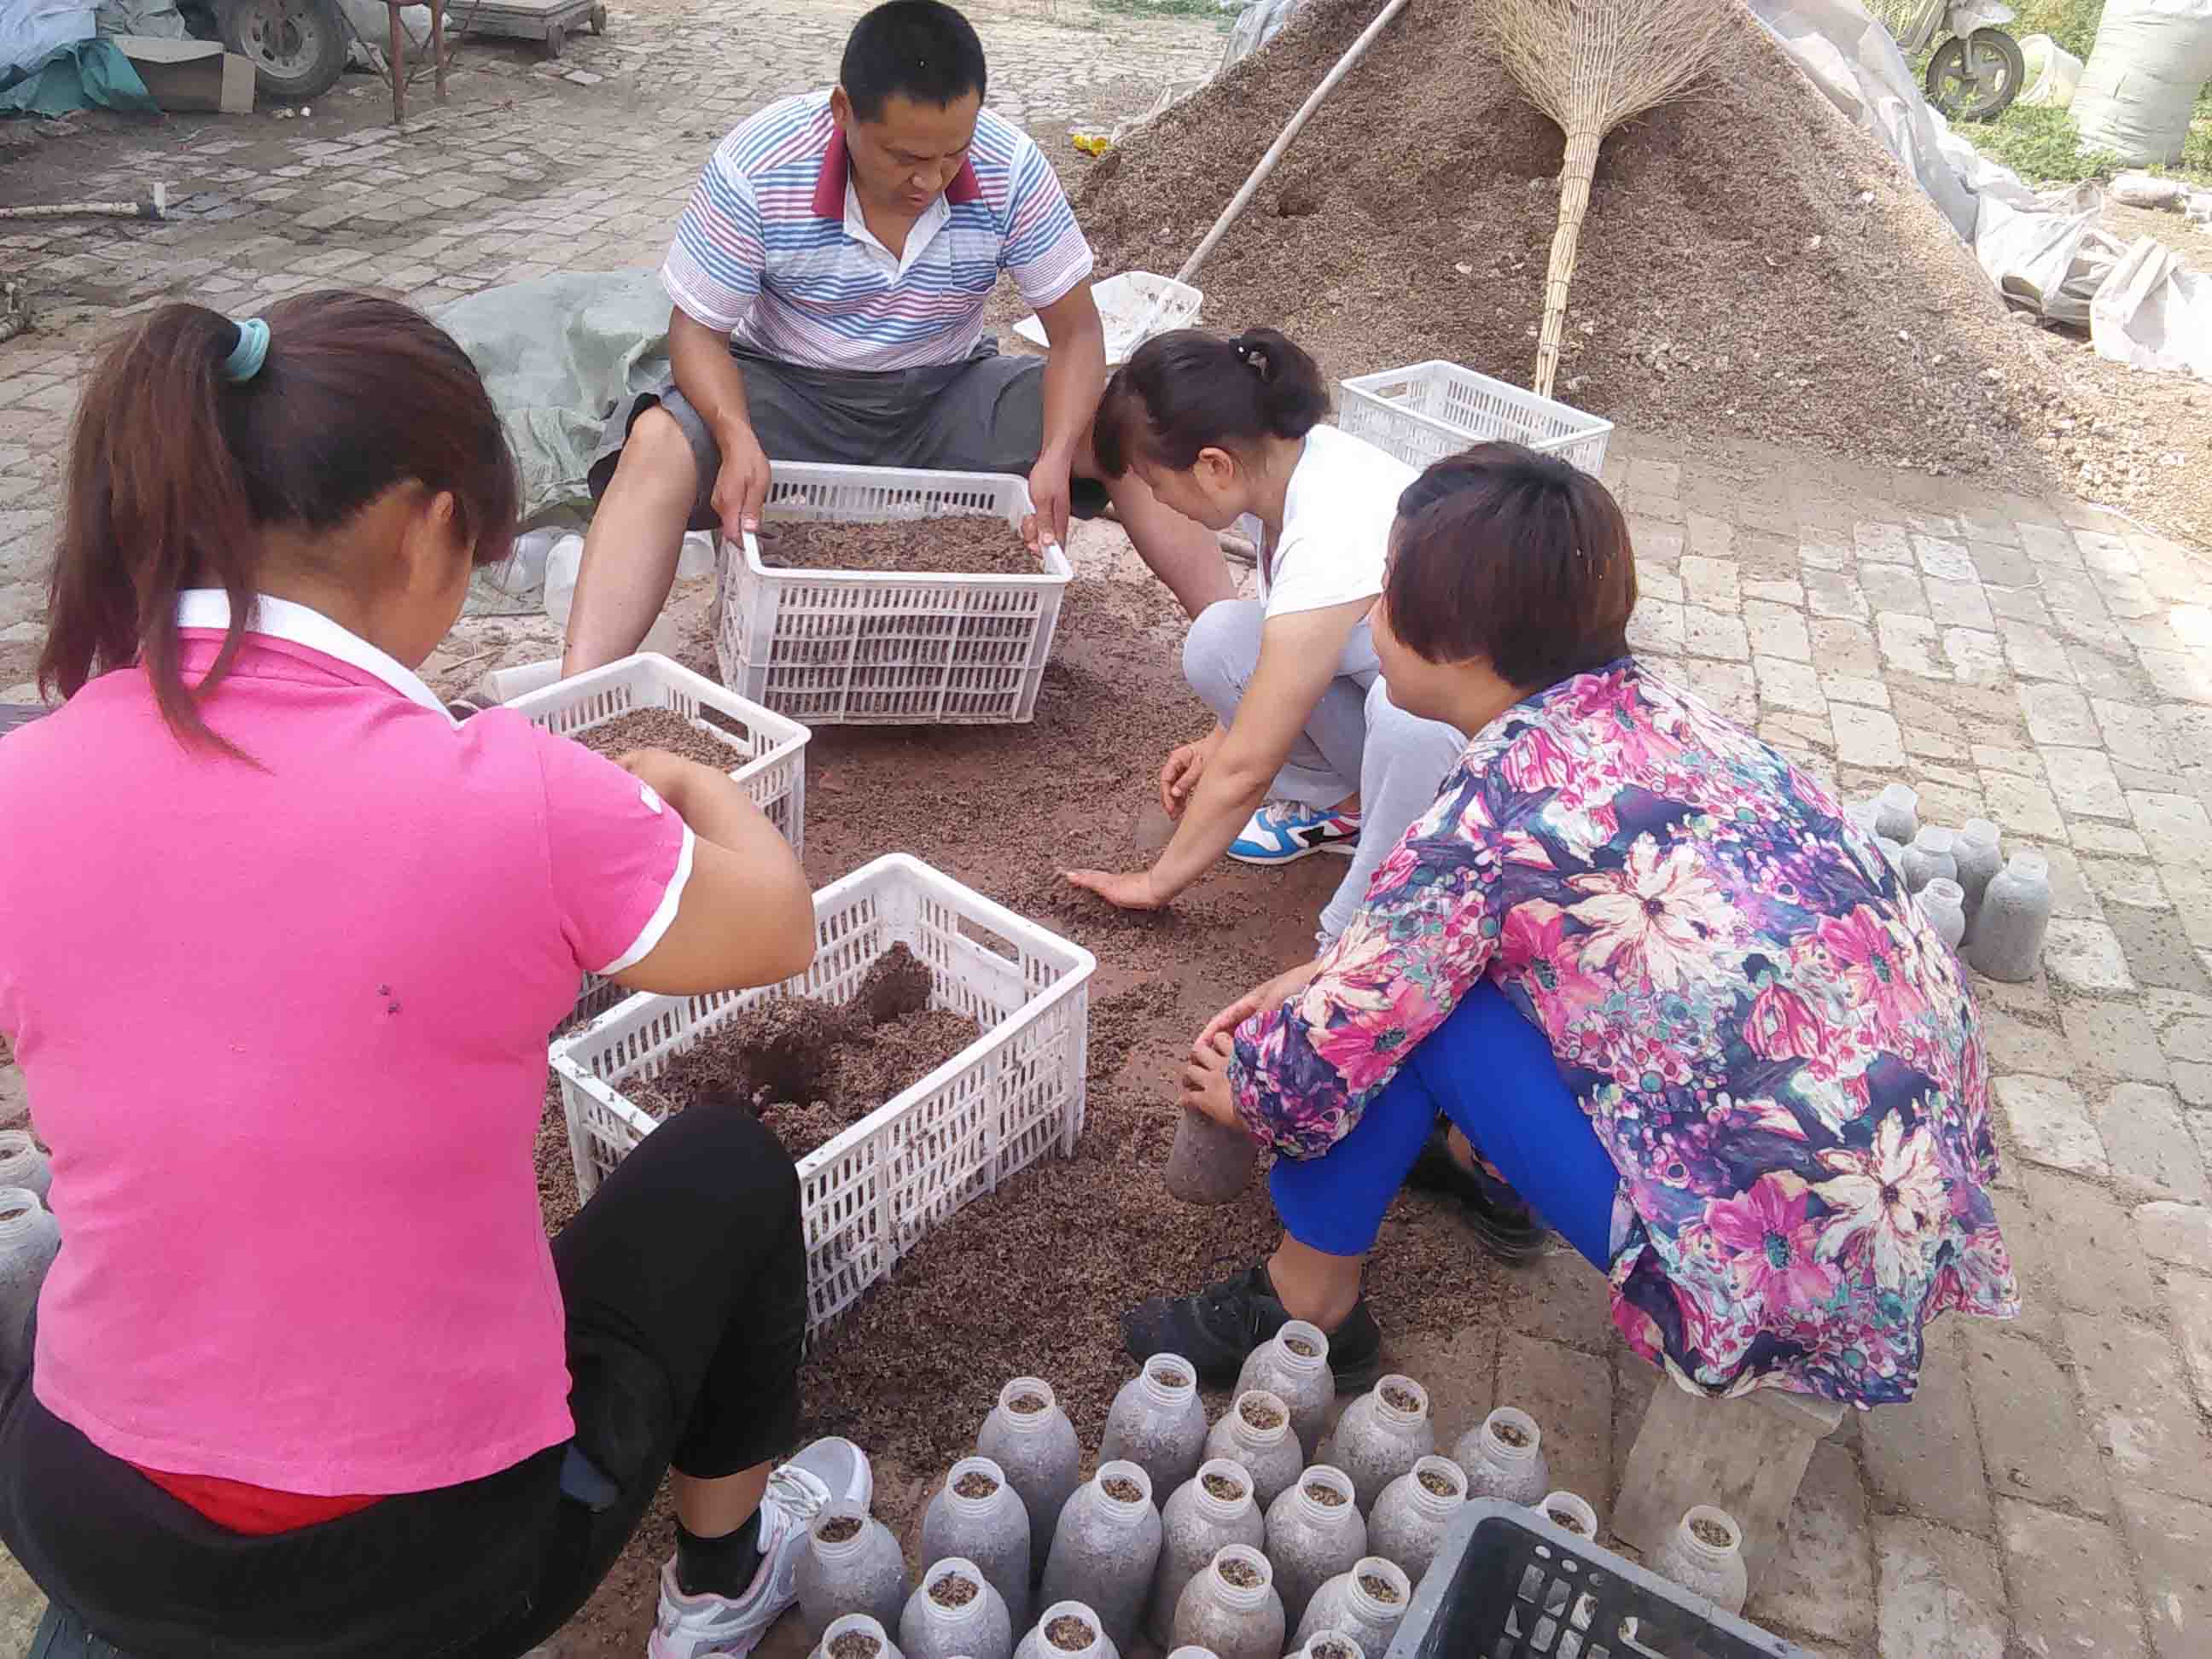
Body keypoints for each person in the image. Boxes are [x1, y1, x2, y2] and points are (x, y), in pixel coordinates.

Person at [0, 294, 866, 1659]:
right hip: (427, 1566)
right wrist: (700, 784)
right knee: (725, 1165)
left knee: (53, 1247)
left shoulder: (20, 783)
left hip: (95, 1522)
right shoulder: (512, 795)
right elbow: (776, 926)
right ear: (428, 525)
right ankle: (719, 1583)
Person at [1123, 445, 2019, 1406]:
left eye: (1387, 595)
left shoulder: (1493, 814)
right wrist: (1334, 974)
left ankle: (1308, 1303)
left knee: (1423, 1011)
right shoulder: (1668, 716)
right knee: (1475, 963)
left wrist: (1247, 1091)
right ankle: (1489, 1170)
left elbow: (1345, 1038)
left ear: (1461, 644)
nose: (1370, 619)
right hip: (1905, 1190)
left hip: (1772, 1275)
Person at [558, 0, 1231, 684]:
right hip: (787, 394)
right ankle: (573, 699)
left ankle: (1242, 655)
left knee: (1128, 424)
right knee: (657, 443)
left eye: (951, 154)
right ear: (843, 111)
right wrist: (734, 435)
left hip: (946, 395)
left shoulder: (1010, 166)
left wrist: (1058, 452)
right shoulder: (758, 165)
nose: (929, 181)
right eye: (905, 157)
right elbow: (698, 331)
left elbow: (1078, 330)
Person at [1062, 328, 1469, 953]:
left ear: (1213, 466)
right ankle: (1354, 810)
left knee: (1405, 717)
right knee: (1221, 638)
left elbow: (1250, 767)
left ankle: (1371, 919)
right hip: (1406, 714)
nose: (1158, 501)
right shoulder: (1285, 471)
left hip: (1481, 770)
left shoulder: (1329, 528)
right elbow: (1290, 659)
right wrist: (1217, 739)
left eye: (1155, 482)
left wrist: (1156, 882)